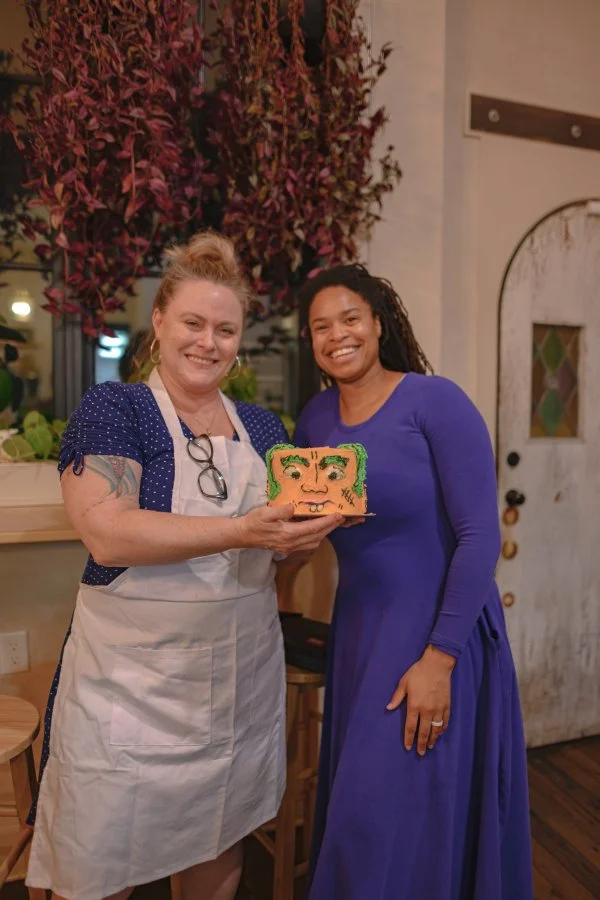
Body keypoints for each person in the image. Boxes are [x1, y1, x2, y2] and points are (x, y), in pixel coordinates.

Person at [25, 232, 344, 900]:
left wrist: (298, 541)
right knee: (101, 863)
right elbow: (107, 533)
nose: (208, 342)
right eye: (193, 324)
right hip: (130, 693)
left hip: (235, 693)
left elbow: (274, 553)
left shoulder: (263, 428)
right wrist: (243, 528)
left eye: (225, 329)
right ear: (160, 322)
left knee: (215, 844)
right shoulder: (117, 409)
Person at [292, 264, 533, 900]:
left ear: (378, 322)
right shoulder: (314, 422)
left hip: (438, 633)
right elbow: (303, 537)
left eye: (349, 319)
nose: (337, 335)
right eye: (320, 327)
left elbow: (481, 539)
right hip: (361, 634)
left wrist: (440, 658)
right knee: (365, 814)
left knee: (407, 817)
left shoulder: (435, 401)